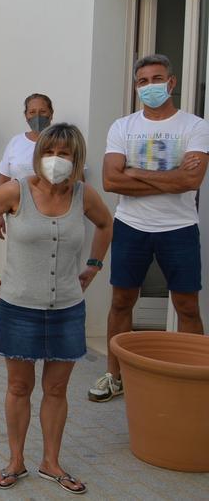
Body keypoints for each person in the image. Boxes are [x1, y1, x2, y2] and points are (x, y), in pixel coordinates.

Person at [0, 123, 112, 494]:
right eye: (50, 152)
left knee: (57, 389)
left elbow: (106, 224)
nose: (57, 160)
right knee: (19, 386)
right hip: (20, 306)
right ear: (38, 154)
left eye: (65, 153)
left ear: (76, 159)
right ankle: (16, 460)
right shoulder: (17, 191)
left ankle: (51, 462)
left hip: (67, 308)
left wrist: (93, 266)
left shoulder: (83, 194)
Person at [89, 54, 209, 403]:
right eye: (143, 81)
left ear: (171, 83)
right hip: (132, 226)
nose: (150, 86)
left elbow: (193, 180)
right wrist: (172, 179)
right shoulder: (123, 127)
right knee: (122, 302)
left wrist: (136, 172)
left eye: (157, 79)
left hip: (180, 228)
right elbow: (111, 181)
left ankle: (192, 381)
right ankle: (115, 375)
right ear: (136, 86)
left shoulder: (195, 126)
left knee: (187, 306)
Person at [0, 94, 55, 239]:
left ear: (51, 113)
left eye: (43, 112)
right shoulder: (16, 142)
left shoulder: (62, 140)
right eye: (32, 112)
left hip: (53, 214)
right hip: (19, 214)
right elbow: (3, 180)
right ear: (26, 116)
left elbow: (78, 179)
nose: (37, 117)